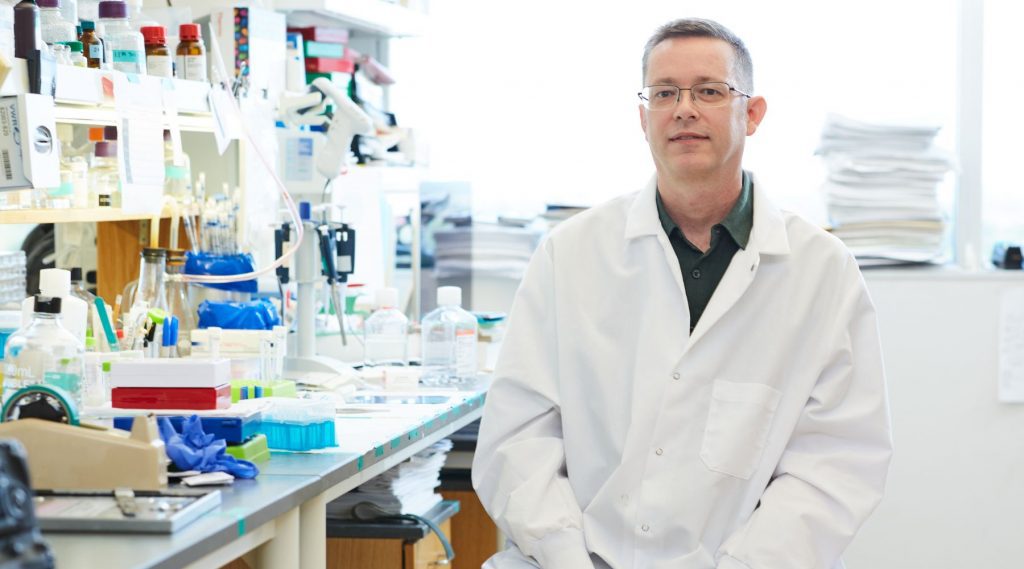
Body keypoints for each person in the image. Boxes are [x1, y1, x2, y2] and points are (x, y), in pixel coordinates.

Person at [472, 17, 893, 569]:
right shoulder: (569, 254)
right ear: (643, 118)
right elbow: (518, 438)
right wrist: (565, 554)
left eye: (709, 91)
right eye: (665, 93)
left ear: (753, 114)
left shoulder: (822, 271)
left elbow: (836, 462)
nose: (684, 109)